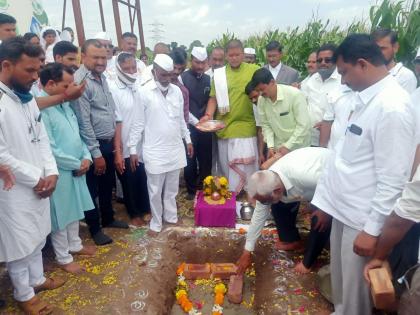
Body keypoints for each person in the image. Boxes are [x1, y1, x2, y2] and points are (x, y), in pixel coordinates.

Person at [312, 34, 416, 315]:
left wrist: (371, 230)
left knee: (357, 293)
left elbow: (394, 179)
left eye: (344, 72)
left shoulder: (392, 106)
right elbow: (339, 157)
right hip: (342, 209)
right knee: (342, 285)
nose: (342, 80)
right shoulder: (360, 99)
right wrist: (325, 203)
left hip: (362, 217)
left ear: (362, 64)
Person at [0, 37, 65, 314]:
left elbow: (41, 139)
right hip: (12, 187)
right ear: (6, 65)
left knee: (38, 234)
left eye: (38, 69)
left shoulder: (25, 98)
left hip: (40, 181)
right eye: (29, 70)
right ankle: (23, 294)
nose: (35, 76)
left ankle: (37, 279)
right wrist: (35, 177)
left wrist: (51, 171)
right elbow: (1, 154)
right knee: (19, 242)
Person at [236, 147, 332, 274]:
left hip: (332, 183)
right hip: (308, 187)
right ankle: (293, 240)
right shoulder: (269, 182)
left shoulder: (304, 175)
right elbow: (259, 216)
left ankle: (308, 262)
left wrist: (325, 209)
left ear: (277, 190)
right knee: (276, 203)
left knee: (319, 220)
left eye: (264, 200)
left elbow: (335, 182)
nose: (264, 204)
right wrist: (247, 252)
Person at [71, 39, 128, 246]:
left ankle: (109, 217)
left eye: (104, 57)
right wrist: (96, 153)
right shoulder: (81, 82)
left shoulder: (101, 77)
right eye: (95, 57)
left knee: (106, 185)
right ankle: (95, 228)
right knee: (91, 189)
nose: (100, 61)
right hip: (91, 146)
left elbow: (109, 111)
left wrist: (114, 143)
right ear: (83, 57)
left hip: (106, 142)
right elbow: (84, 121)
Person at [40, 63, 96, 274]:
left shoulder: (66, 105)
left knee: (75, 210)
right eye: (67, 85)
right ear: (51, 84)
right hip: (59, 172)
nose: (72, 89)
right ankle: (63, 257)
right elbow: (50, 149)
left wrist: (86, 157)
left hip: (77, 167)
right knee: (61, 217)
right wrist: (76, 163)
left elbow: (78, 136)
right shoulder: (43, 110)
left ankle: (75, 245)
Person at [128, 54, 193, 236]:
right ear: (154, 71)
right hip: (154, 150)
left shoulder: (177, 91)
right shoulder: (143, 92)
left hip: (174, 148)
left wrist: (187, 139)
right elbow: (138, 123)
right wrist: (133, 148)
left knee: (172, 188)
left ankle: (171, 217)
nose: (167, 79)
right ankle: (156, 223)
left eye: (170, 75)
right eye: (163, 75)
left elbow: (181, 120)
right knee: (155, 190)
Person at [200, 40, 259, 193]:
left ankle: (250, 192)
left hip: (246, 125)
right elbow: (213, 98)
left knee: (247, 165)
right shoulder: (219, 74)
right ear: (226, 56)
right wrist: (208, 115)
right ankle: (233, 193)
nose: (234, 58)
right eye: (231, 55)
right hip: (225, 126)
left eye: (237, 54)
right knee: (227, 165)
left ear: (243, 54)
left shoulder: (254, 70)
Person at [109, 53, 150, 227]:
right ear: (118, 68)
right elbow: (117, 120)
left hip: (142, 141)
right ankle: (134, 213)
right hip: (124, 142)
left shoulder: (139, 85)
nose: (131, 71)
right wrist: (118, 150)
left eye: (134, 68)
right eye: (127, 69)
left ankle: (145, 208)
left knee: (142, 176)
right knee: (128, 179)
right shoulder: (113, 88)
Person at [253, 67, 311, 159]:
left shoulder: (295, 95)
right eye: (258, 90)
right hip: (278, 149)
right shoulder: (262, 100)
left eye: (262, 89)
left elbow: (303, 126)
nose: (261, 93)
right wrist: (271, 146)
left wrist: (288, 146)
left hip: (299, 148)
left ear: (272, 82)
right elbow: (266, 125)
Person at [181, 47, 212, 198]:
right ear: (190, 61)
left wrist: (206, 119)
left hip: (206, 126)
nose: (200, 66)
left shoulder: (208, 79)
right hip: (190, 127)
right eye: (196, 62)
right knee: (190, 159)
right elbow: (182, 106)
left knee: (206, 159)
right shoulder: (182, 78)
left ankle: (206, 186)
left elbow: (211, 101)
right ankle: (192, 190)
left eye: (203, 63)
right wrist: (195, 122)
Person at [301, 44, 345, 146]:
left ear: (336, 60)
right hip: (309, 138)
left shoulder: (343, 81)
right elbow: (302, 102)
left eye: (327, 60)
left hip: (331, 139)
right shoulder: (311, 80)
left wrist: (330, 124)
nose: (323, 63)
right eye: (319, 60)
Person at [372, 28, 417, 93]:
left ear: (395, 47)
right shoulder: (368, 73)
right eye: (374, 48)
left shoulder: (405, 77)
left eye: (382, 48)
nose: (377, 52)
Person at [245, 81, 265, 166]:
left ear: (261, 91)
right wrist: (260, 154)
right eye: (250, 99)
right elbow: (261, 129)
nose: (253, 100)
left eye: (255, 97)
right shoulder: (255, 105)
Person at [170, 48, 189, 123]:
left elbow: (185, 117)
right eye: (174, 67)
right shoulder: (154, 85)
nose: (176, 71)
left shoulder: (183, 91)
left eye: (179, 69)